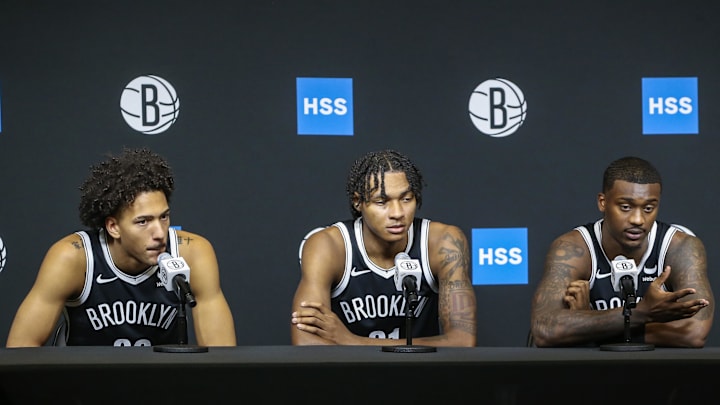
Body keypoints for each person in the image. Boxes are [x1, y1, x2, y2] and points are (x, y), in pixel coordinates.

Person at [6, 147, 236, 347]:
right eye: (143, 222)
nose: (159, 233)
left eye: (164, 217)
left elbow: (221, 357)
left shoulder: (192, 253)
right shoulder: (74, 258)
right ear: (113, 227)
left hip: (160, 388)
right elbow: (22, 349)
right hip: (82, 389)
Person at [290, 149, 477, 347]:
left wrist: (352, 341)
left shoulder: (443, 242)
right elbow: (306, 343)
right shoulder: (328, 246)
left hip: (420, 373)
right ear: (357, 202)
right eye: (381, 201)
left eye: (406, 199)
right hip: (350, 374)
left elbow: (463, 341)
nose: (397, 213)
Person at [530, 156, 713, 347]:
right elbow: (545, 330)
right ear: (602, 202)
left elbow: (694, 332)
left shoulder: (680, 247)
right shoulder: (574, 248)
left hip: (658, 373)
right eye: (625, 207)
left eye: (649, 208)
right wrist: (643, 314)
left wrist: (588, 325)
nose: (638, 219)